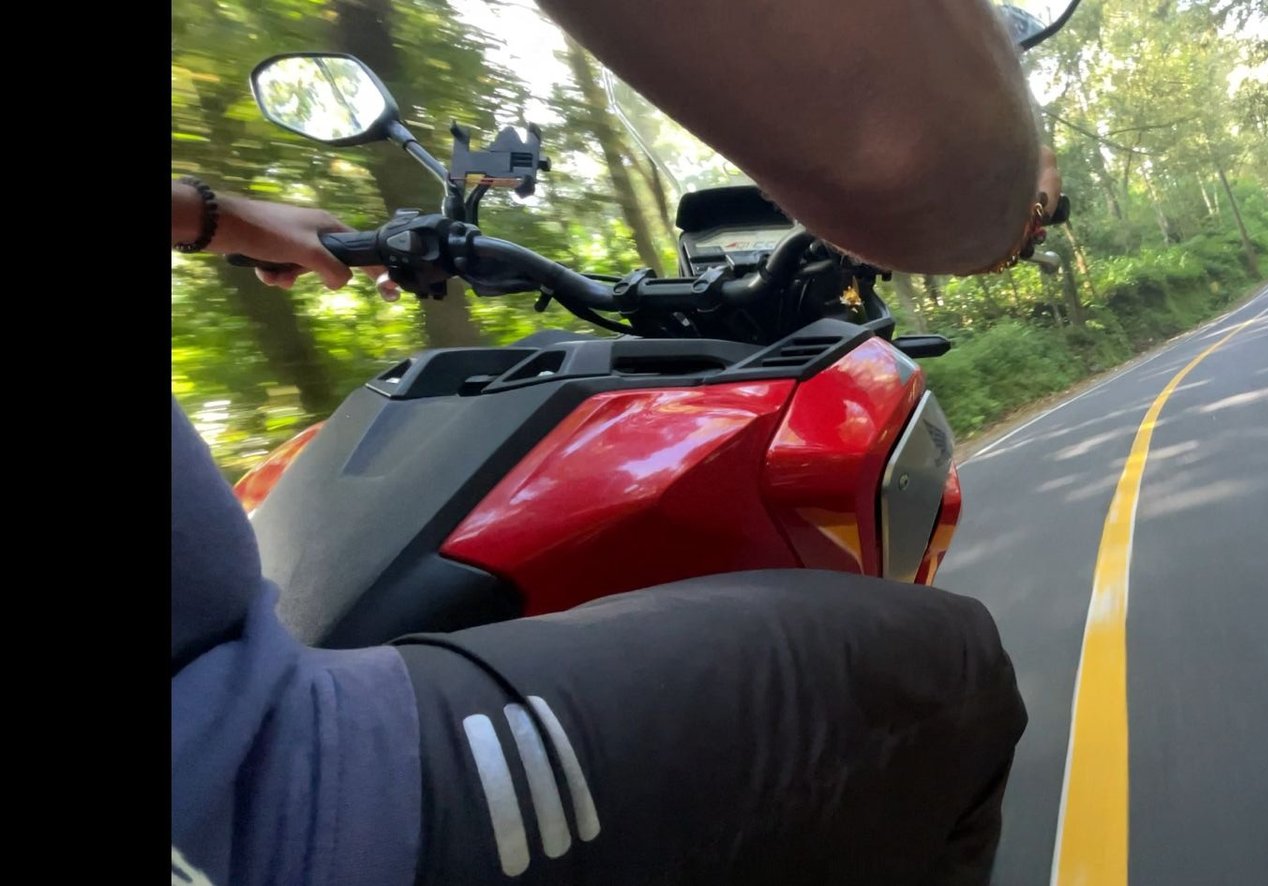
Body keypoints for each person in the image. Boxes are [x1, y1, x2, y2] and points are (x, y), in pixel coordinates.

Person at [170, 1, 1059, 883]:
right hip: (260, 791)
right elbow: (884, 126)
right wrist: (998, 192)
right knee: (946, 671)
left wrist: (217, 217)